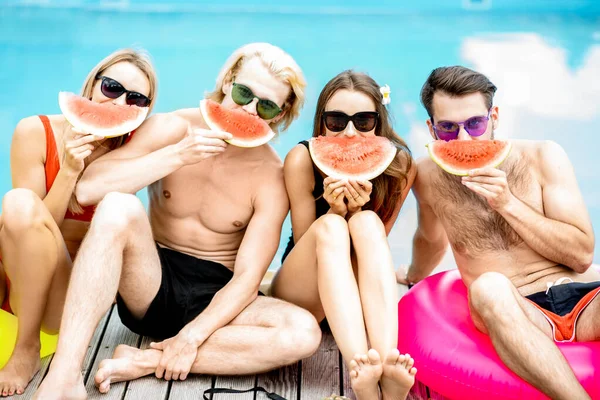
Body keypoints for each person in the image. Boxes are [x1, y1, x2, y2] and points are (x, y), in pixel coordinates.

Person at [33, 42, 322, 399]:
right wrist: (176, 156)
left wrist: (190, 338)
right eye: (244, 93)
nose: (247, 110)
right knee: (118, 207)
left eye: (265, 106)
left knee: (303, 332)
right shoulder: (172, 127)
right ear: (229, 80)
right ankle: (64, 373)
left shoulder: (271, 176)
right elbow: (89, 189)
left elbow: (247, 279)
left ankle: (142, 362)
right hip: (150, 283)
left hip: (216, 299)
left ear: (279, 115)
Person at [397, 65, 597, 400]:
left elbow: (580, 256)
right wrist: (414, 275)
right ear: (431, 129)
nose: (463, 140)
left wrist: (507, 203)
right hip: (514, 309)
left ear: (495, 117)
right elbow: (430, 239)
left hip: (586, 300)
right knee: (488, 286)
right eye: (447, 129)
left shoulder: (544, 156)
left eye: (475, 124)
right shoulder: (426, 175)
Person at [0, 48, 157, 397]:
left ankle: (26, 349)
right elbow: (30, 228)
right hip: (16, 275)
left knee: (17, 203)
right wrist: (69, 169)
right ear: (92, 84)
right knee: (18, 204)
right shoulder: (34, 132)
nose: (118, 104)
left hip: (61, 302)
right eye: (112, 87)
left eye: (135, 98)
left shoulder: (131, 153)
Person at [271, 70, 417, 400]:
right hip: (301, 292)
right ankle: (359, 368)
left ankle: (386, 365)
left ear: (378, 122)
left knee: (367, 224)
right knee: (331, 226)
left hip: (354, 298)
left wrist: (357, 212)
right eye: (336, 121)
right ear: (321, 122)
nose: (350, 133)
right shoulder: (302, 158)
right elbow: (306, 239)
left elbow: (373, 247)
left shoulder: (401, 165)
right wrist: (337, 211)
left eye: (363, 121)